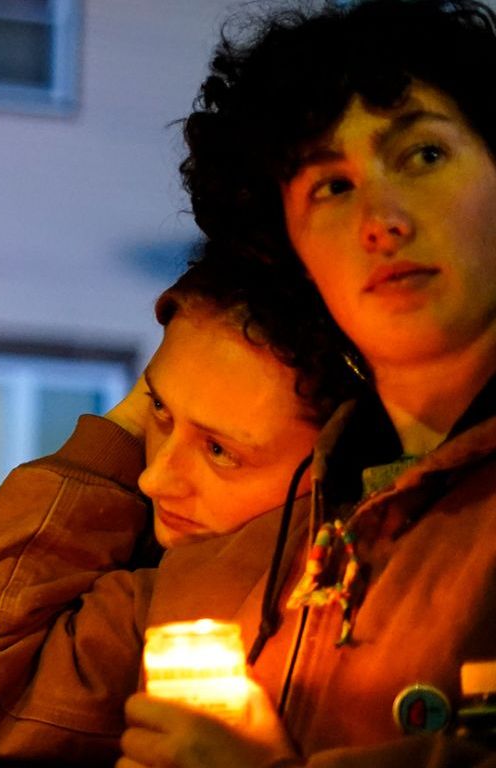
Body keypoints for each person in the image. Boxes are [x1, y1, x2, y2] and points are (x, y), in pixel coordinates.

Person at [117, 1, 496, 765]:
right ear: (289, 245)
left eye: (422, 154)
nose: (382, 219)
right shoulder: (307, 512)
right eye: (330, 187)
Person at [0, 249, 358, 765]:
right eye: (157, 407)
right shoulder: (171, 583)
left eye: (220, 450)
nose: (152, 478)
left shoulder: (197, 602)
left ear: (337, 458)